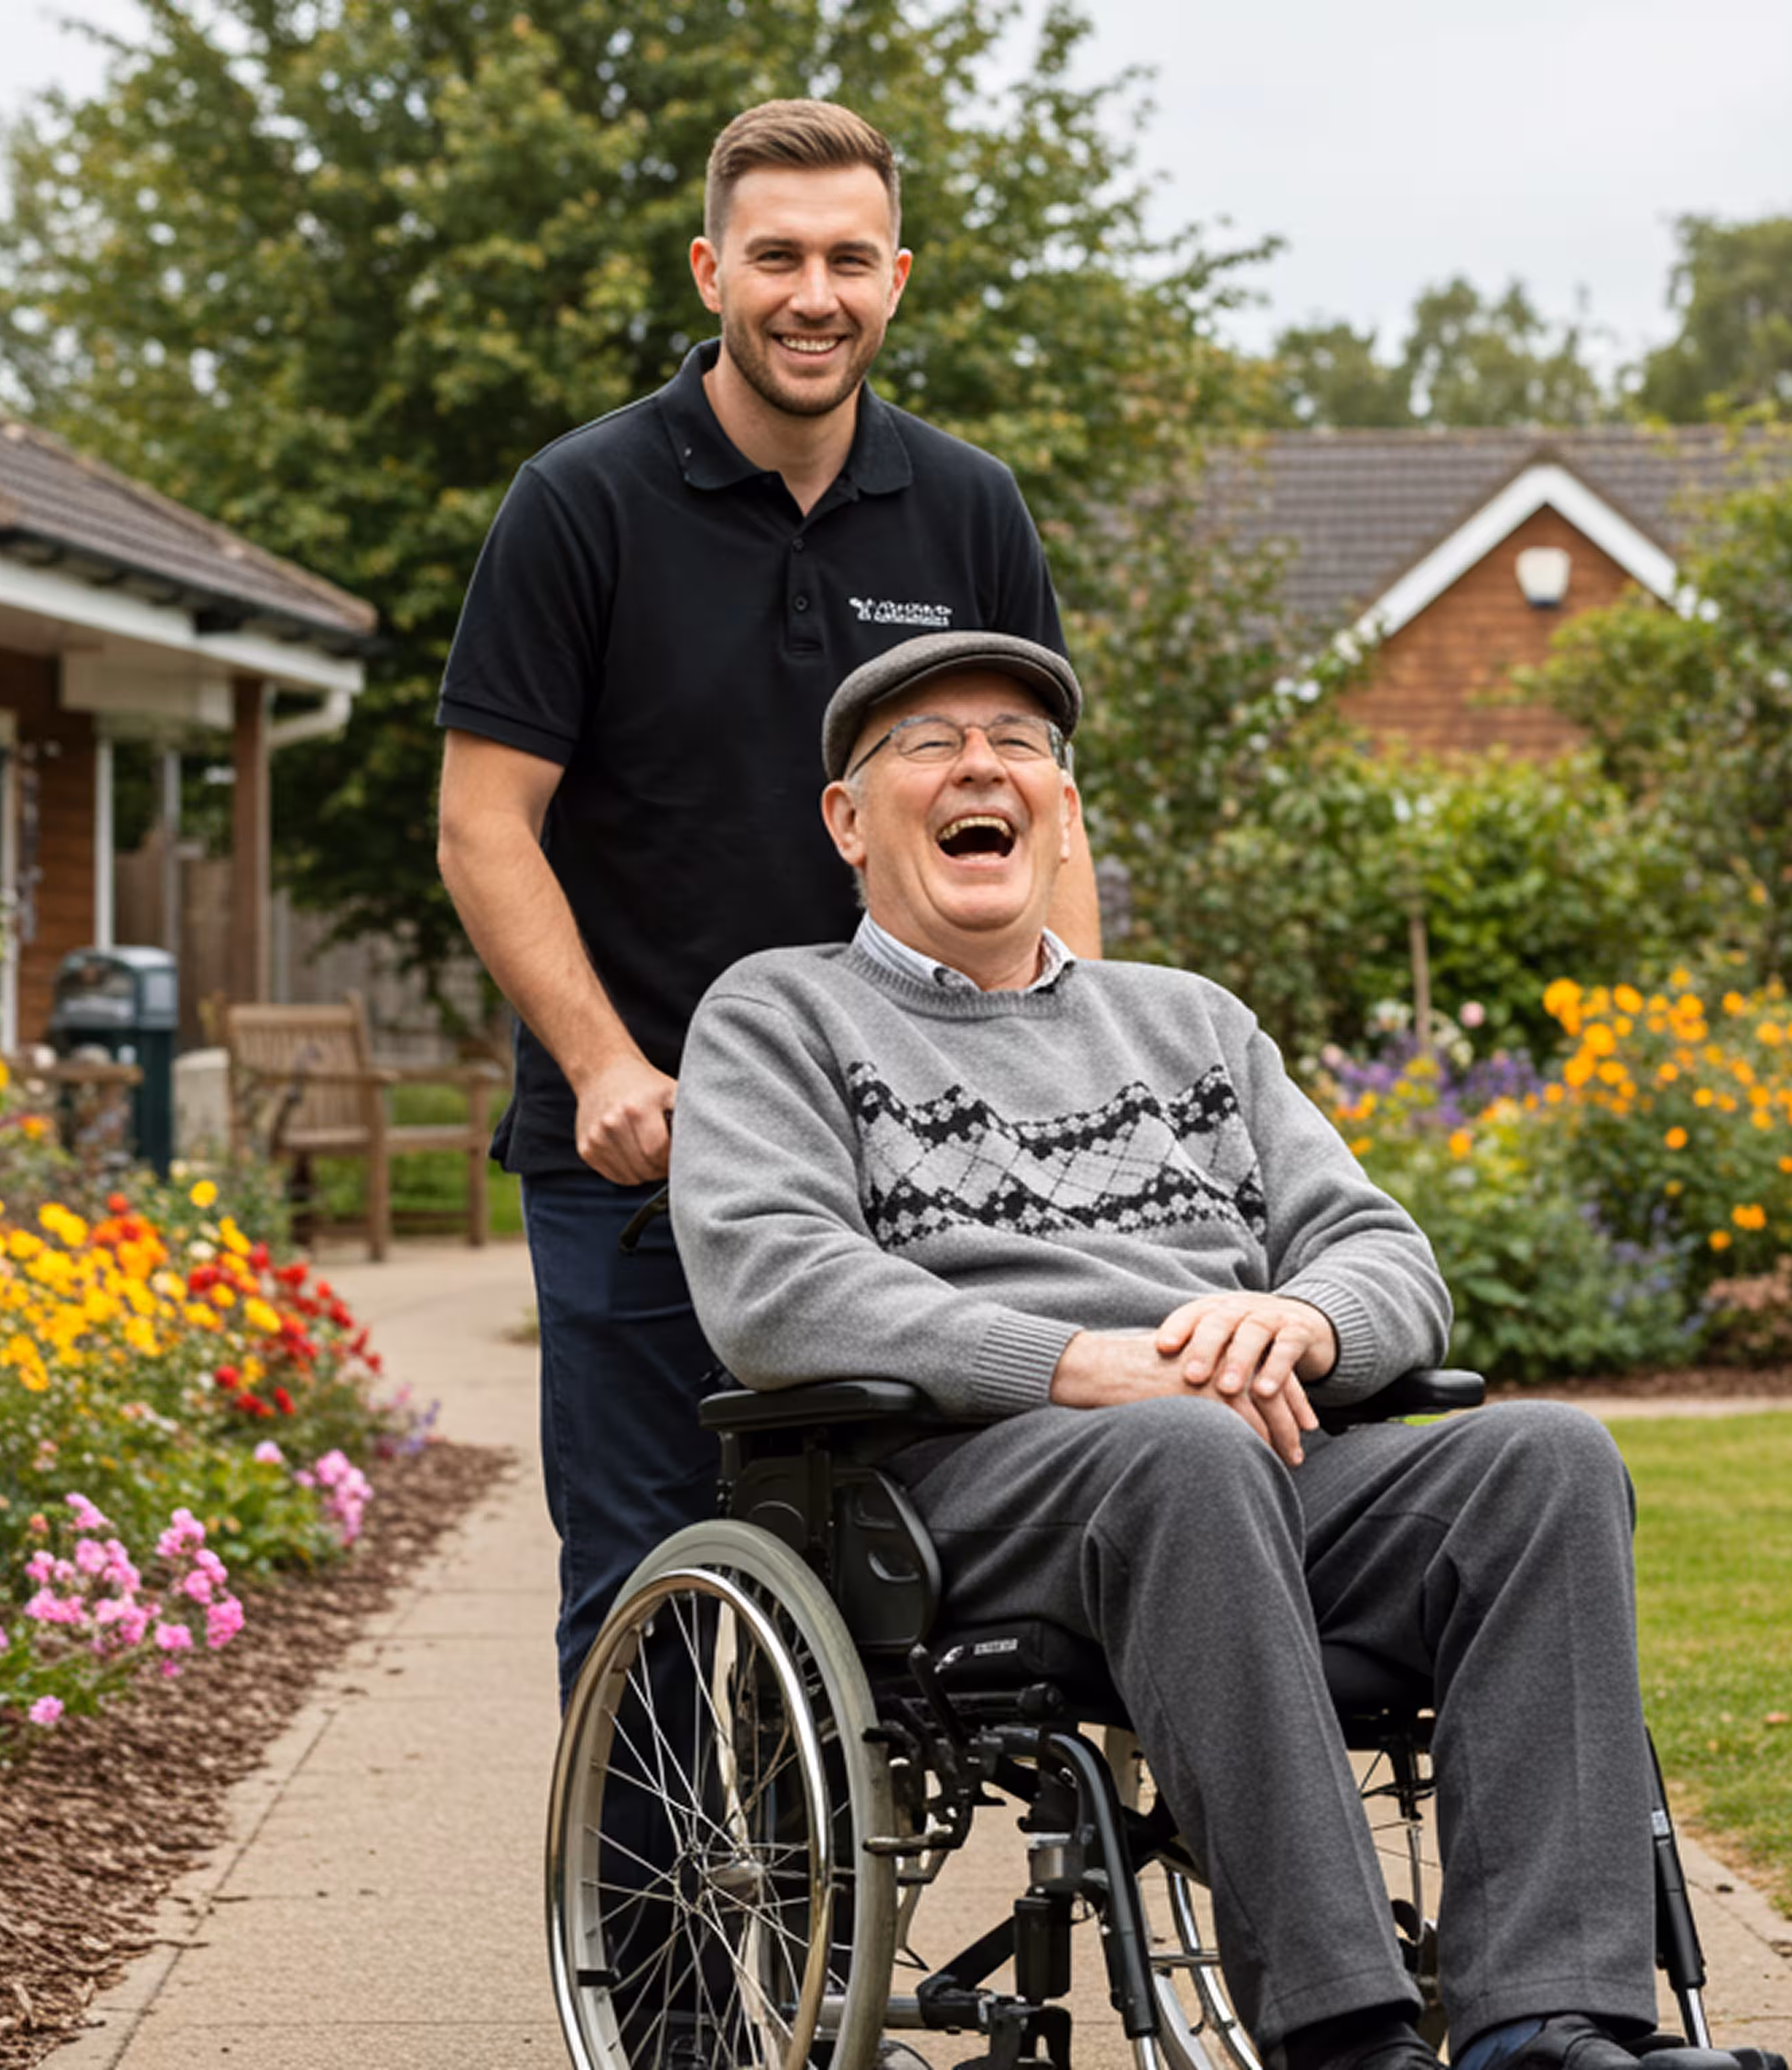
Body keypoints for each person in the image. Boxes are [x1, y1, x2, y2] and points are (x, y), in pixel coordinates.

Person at [668, 632, 1760, 2070]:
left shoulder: (1191, 1021)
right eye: (928, 744)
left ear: (1063, 814)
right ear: (849, 821)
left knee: (1544, 1461)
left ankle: (1548, 2025)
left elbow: (1383, 1253)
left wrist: (1304, 1321)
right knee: (1182, 1450)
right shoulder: (778, 1012)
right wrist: (1074, 1363)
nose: (982, 767)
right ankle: (1344, 2036)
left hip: (1245, 1464)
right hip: (961, 1493)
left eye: (1018, 744)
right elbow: (776, 1286)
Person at [433, 98, 1096, 1691]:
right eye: (777, 257)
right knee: (651, 1588)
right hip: (647, 1153)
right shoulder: (579, 503)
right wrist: (601, 1067)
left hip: (918, 1140)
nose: (814, 295)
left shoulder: (968, 509)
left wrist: (1079, 1081)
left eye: (849, 260)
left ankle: (833, 1865)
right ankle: (654, 1874)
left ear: (897, 279)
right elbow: (482, 825)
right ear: (708, 270)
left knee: (924, 1597)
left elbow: (1038, 809)